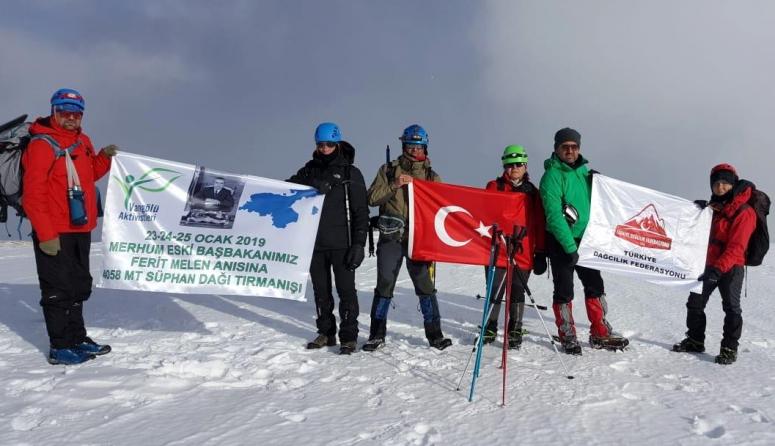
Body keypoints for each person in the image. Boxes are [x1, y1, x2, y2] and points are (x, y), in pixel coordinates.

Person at [22, 88, 118, 365]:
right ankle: (60, 346)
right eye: (64, 112)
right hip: (54, 231)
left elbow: (88, 175)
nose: (71, 118)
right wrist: (46, 234)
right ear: (54, 111)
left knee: (77, 286)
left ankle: (77, 338)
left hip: (80, 229)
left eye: (76, 114)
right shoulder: (42, 145)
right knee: (57, 289)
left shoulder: (82, 141)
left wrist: (103, 157)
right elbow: (33, 195)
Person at [539, 127, 629, 355]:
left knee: (595, 286)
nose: (570, 150)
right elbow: (553, 215)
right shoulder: (552, 176)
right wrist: (569, 247)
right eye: (565, 147)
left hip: (587, 241)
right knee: (564, 290)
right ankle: (568, 335)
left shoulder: (584, 173)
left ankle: (600, 331)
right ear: (556, 149)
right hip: (562, 242)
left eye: (574, 146)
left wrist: (597, 183)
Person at [363, 124, 452, 351]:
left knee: (425, 286)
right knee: (384, 285)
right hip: (391, 237)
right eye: (410, 146)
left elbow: (442, 209)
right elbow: (372, 198)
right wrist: (394, 184)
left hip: (419, 239)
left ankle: (435, 335)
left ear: (425, 148)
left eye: (418, 146)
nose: (414, 151)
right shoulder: (388, 170)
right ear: (403, 146)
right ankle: (376, 334)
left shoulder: (433, 176)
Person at [287, 122, 369, 355]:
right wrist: (314, 184)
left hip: (342, 243)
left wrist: (359, 244)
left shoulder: (350, 173)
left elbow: (361, 211)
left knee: (346, 291)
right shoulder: (309, 169)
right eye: (320, 144)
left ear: (338, 143)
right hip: (315, 243)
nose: (324, 148)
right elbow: (289, 187)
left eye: (329, 144)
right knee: (321, 291)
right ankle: (326, 332)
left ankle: (349, 337)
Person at [672, 164, 757, 365]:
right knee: (695, 304)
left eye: (725, 183)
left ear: (733, 184)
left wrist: (719, 269)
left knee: (731, 307)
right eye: (716, 183)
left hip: (731, 267)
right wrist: (697, 212)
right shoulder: (714, 208)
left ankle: (729, 348)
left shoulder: (744, 211)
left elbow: (737, 246)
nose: (720, 187)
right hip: (707, 265)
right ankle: (695, 340)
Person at [482, 145, 546, 350]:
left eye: (518, 164)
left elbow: (539, 223)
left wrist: (541, 252)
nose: (514, 169)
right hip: (497, 247)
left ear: (525, 166)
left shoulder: (532, 193)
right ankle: (490, 326)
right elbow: (484, 212)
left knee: (517, 290)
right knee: (495, 288)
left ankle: (515, 328)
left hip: (523, 249)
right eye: (510, 165)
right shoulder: (494, 186)